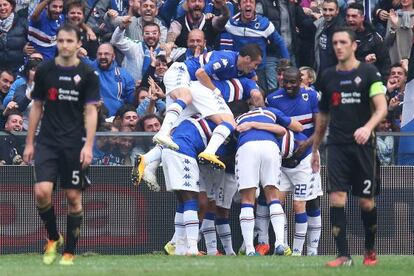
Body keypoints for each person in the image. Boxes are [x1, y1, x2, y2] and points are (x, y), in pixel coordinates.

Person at [23, 23, 100, 266]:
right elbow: (36, 106)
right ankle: (54, 237)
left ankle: (70, 251)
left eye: (69, 41)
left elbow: (90, 111)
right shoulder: (45, 70)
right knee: (41, 192)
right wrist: (29, 142)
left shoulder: (88, 74)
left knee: (73, 198)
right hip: (47, 141)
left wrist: (88, 146)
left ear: (79, 44)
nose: (64, 45)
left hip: (74, 143)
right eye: (60, 41)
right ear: (56, 43)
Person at [311, 27, 387, 267]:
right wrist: (314, 149)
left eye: (343, 42)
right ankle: (344, 256)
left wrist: (368, 127)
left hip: (363, 146)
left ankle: (370, 250)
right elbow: (323, 116)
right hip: (336, 146)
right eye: (335, 43)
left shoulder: (369, 72)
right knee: (336, 197)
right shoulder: (327, 76)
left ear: (354, 45)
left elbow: (382, 107)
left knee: (366, 202)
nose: (339, 46)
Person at [154, 44, 262, 168]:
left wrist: (252, 78)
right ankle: (162, 132)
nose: (256, 68)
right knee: (185, 98)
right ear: (247, 59)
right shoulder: (226, 60)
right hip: (181, 72)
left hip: (191, 84)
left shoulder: (242, 66)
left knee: (175, 128)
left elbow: (254, 78)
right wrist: (215, 91)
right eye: (256, 64)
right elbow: (200, 73)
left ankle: (148, 163)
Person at [266, 67, 323, 256]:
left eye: (293, 82)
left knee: (306, 204)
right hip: (282, 161)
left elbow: (319, 126)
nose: (289, 86)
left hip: (306, 158)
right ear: (281, 80)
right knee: (276, 203)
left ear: (301, 80)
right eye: (286, 82)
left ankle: (306, 252)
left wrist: (308, 146)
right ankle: (283, 246)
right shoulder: (273, 99)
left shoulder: (311, 96)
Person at [235, 106, 303, 256]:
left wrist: (252, 125)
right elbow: (287, 129)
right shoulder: (270, 112)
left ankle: (250, 249)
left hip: (247, 147)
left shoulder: (239, 118)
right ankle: (279, 243)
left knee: (247, 200)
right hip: (270, 147)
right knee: (273, 197)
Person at [0, 0, 28, 73]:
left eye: (5, 5)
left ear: (11, 6)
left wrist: (27, 48)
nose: (2, 8)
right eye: (0, 5)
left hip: (18, 70)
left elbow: (32, 41)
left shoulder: (23, 23)